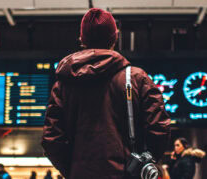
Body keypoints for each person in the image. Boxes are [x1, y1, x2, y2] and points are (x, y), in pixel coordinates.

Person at [41, 8, 171, 179]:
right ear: (114, 38)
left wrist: (73, 170)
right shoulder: (136, 78)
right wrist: (142, 163)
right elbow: (159, 128)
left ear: (82, 39)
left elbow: (51, 139)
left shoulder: (64, 84)